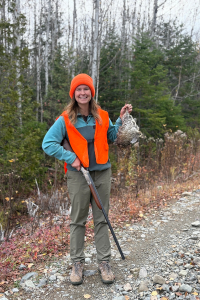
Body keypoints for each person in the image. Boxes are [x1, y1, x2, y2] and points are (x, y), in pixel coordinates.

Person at [42, 73, 132, 285]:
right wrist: (71, 157)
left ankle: (104, 262)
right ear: (74, 94)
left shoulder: (102, 114)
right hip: (78, 176)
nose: (83, 93)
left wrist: (120, 119)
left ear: (92, 92)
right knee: (78, 221)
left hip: (102, 173)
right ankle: (77, 263)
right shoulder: (64, 119)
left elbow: (112, 136)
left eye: (86, 89)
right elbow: (48, 143)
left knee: (102, 218)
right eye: (79, 89)